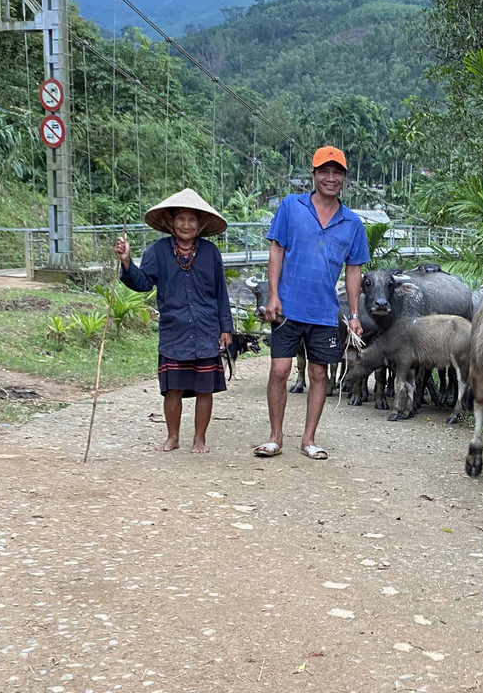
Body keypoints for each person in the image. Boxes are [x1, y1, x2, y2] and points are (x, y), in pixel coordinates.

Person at [254, 146, 369, 461]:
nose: (330, 178)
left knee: (319, 372)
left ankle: (308, 439)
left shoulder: (353, 224)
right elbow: (276, 250)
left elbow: (353, 270)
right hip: (288, 306)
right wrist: (273, 295)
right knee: (279, 370)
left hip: (324, 311)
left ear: (344, 178)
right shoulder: (292, 206)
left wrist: (355, 314)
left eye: (337, 172)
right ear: (314, 174)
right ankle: (276, 436)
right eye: (324, 171)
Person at [114, 187, 234, 454]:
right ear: (170, 222)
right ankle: (173, 437)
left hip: (205, 329)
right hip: (174, 330)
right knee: (173, 388)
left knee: (205, 389)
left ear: (201, 224)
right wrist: (126, 262)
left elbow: (221, 292)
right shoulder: (157, 252)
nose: (186, 225)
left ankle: (199, 439)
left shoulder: (211, 253)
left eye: (192, 220)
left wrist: (226, 327)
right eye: (181, 219)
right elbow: (143, 283)